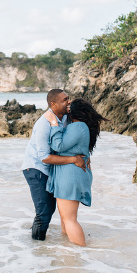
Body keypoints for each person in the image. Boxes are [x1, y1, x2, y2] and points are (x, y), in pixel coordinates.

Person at [21, 89, 87, 241]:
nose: (68, 101)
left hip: (51, 170)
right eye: (65, 99)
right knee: (44, 211)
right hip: (36, 169)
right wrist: (73, 160)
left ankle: (43, 241)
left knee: (51, 209)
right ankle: (37, 247)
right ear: (53, 104)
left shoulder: (64, 118)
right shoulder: (44, 123)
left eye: (68, 98)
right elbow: (44, 157)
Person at [44, 98, 107, 246]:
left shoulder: (78, 126)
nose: (67, 110)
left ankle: (81, 252)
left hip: (70, 175)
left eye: (69, 109)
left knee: (69, 219)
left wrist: (53, 124)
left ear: (74, 112)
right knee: (66, 217)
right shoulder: (81, 127)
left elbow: (58, 145)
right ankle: (70, 252)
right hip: (71, 174)